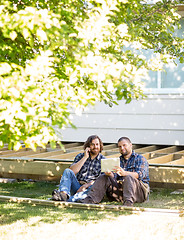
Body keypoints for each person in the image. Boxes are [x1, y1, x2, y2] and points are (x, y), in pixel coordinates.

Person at [80, 137, 150, 206]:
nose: (122, 148)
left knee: (128, 177)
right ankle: (90, 199)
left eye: (124, 145)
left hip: (139, 192)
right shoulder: (117, 160)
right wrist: (110, 174)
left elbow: (140, 174)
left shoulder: (140, 159)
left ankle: (128, 203)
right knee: (104, 176)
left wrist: (125, 173)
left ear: (130, 145)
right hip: (121, 191)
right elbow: (114, 177)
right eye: (120, 146)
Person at [51, 135, 105, 202]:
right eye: (92, 144)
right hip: (77, 185)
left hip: (90, 188)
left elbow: (101, 181)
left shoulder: (103, 160)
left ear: (100, 146)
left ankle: (65, 199)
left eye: (97, 144)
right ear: (88, 146)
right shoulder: (80, 156)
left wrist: (85, 186)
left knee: (82, 195)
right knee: (67, 171)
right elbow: (72, 171)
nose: (95, 147)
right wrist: (85, 157)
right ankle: (63, 194)